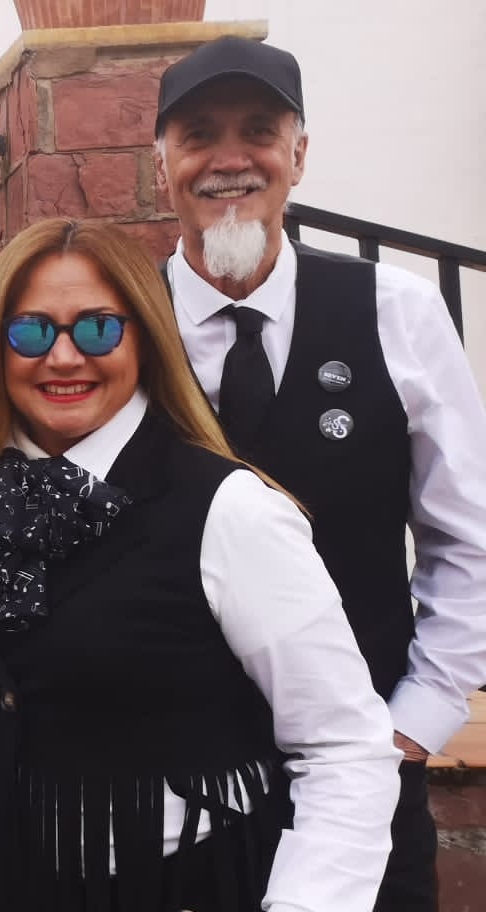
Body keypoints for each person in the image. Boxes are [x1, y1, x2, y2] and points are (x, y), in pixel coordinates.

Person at [0, 219, 399, 911]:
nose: (63, 357)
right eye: (31, 331)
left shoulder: (230, 511)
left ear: (145, 337)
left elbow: (344, 747)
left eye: (97, 329)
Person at [153, 37, 486, 910]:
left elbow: (467, 537)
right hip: (174, 793)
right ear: (162, 166)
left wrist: (413, 723)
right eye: (199, 135)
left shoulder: (397, 310)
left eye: (258, 131)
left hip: (365, 777)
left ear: (298, 154)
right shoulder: (119, 327)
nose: (229, 159)